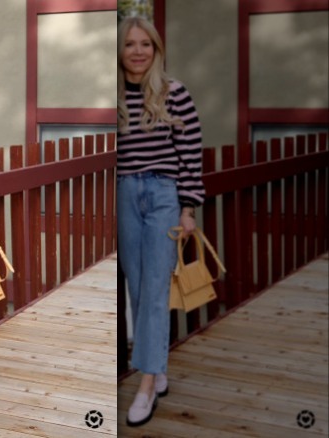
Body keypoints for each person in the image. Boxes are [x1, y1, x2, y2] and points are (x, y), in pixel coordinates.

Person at [116, 16, 205, 427]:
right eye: (130, 44)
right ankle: (158, 364)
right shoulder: (113, 97)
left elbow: (191, 156)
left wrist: (188, 208)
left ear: (155, 49)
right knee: (137, 287)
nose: (138, 51)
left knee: (154, 288)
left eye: (145, 44)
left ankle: (147, 382)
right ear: (120, 50)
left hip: (163, 195)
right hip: (123, 194)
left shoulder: (174, 93)